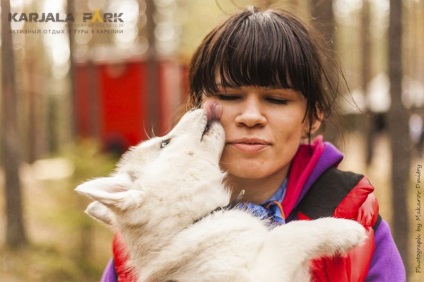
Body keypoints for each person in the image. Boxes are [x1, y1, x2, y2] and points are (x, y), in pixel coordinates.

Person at [101, 6, 405, 281]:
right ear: (198, 107)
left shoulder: (353, 219)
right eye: (229, 97)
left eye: (276, 99)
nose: (250, 116)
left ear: (312, 117)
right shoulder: (140, 240)